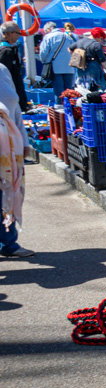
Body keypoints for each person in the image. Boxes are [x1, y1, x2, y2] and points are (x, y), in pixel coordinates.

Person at [0, 61, 33, 258]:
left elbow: (16, 109)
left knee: (9, 192)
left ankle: (9, 243)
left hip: (9, 147)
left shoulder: (2, 69)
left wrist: (25, 140)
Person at [38, 21, 77, 98]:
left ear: (49, 29)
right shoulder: (67, 36)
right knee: (68, 90)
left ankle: (60, 107)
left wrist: (44, 62)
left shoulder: (48, 37)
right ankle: (69, 106)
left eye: (46, 31)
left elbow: (43, 52)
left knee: (59, 91)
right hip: (69, 68)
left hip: (55, 67)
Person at [0, 21, 28, 113]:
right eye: (18, 33)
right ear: (11, 34)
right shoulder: (6, 51)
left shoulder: (11, 48)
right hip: (10, 91)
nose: (19, 36)